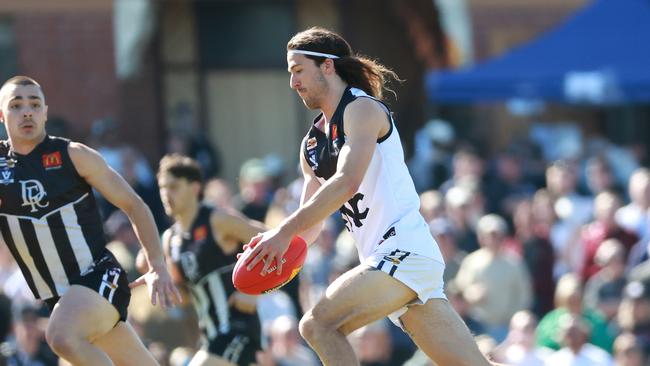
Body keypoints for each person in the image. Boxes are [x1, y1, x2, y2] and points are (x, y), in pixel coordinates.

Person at [244, 27, 498, 365]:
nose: (292, 82)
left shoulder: (362, 109)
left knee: (317, 325)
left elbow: (348, 182)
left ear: (328, 67)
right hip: (391, 261)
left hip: (403, 251)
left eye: (298, 70)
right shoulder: (310, 146)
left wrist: (283, 232)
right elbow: (310, 221)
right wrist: (277, 254)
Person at [0, 76, 180, 365]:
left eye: (35, 104)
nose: (27, 112)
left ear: (45, 112)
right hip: (61, 297)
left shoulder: (73, 155)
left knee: (60, 336)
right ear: (1, 114)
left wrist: (158, 264)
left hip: (98, 277)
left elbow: (135, 205)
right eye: (16, 105)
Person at [156, 154, 266, 366]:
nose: (166, 194)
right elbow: (185, 298)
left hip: (237, 329)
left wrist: (255, 292)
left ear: (195, 188)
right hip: (209, 336)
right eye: (162, 188)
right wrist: (159, 279)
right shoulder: (170, 239)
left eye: (174, 187)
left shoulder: (218, 219)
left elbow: (276, 243)